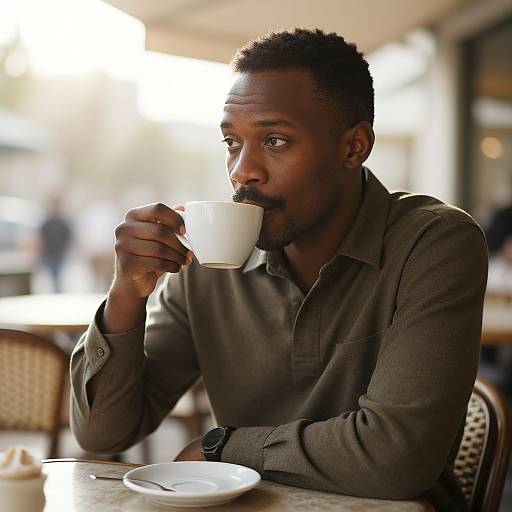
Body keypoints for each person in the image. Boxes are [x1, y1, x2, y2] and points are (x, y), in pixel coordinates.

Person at [69, 29, 487, 511]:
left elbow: (396, 458)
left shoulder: (433, 244)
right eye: (231, 142)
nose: (242, 171)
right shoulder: (209, 261)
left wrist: (222, 448)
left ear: (353, 147)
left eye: (275, 140)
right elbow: (103, 433)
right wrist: (126, 294)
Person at [39, 196, 72, 293]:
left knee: (56, 274)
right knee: (54, 274)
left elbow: (68, 236)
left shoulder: (62, 222)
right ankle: (56, 290)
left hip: (57, 253)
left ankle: (56, 290)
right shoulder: (48, 222)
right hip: (51, 253)